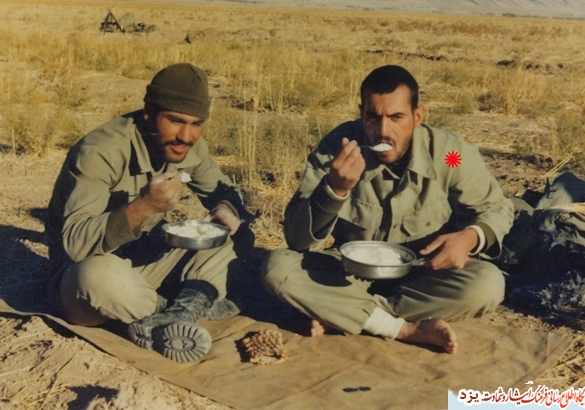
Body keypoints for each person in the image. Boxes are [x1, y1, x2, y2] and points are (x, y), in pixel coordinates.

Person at [261, 65, 513, 354]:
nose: (382, 131)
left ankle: (346, 313)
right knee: (277, 268)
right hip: (349, 274)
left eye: (396, 117)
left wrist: (469, 238)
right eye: (372, 117)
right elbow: (297, 241)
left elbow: (497, 208)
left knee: (488, 285)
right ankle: (402, 328)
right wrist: (335, 189)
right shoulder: (336, 149)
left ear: (418, 116)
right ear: (361, 113)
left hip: (423, 274)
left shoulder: (449, 155)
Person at [45, 63, 254, 363]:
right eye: (175, 121)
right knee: (95, 277)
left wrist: (227, 207)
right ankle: (181, 308)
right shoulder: (101, 152)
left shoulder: (188, 145)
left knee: (237, 235)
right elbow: (75, 245)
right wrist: (143, 207)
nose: (186, 136)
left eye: (196, 124)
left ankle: (174, 313)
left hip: (148, 260)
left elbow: (225, 193)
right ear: (148, 112)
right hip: (84, 274)